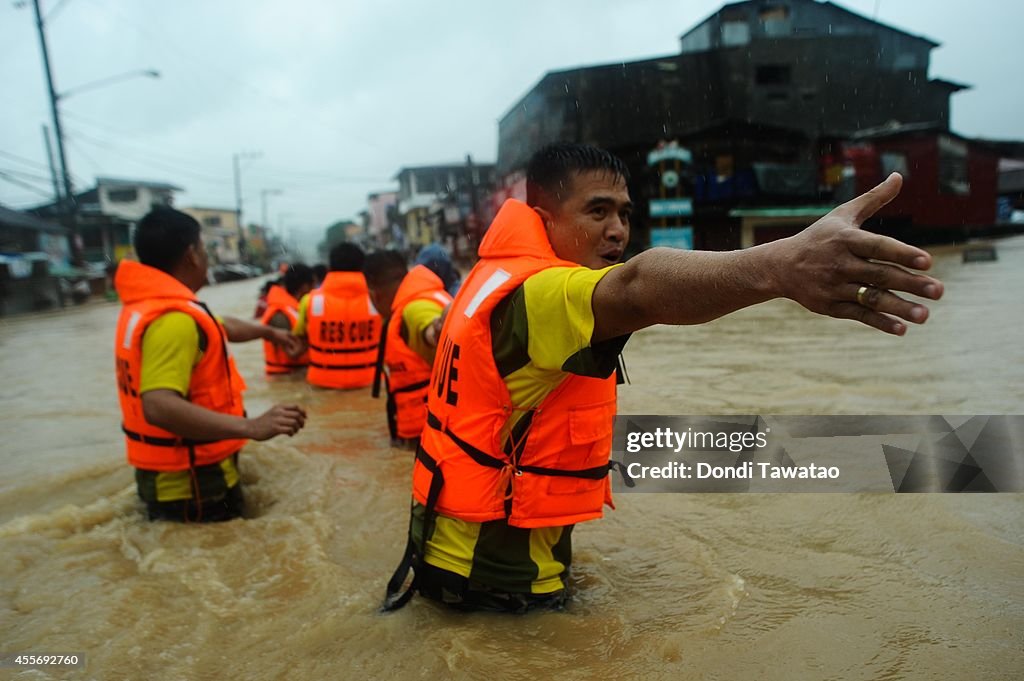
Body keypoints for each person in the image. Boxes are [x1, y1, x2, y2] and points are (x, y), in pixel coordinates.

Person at [383, 142, 944, 613]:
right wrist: (780, 267)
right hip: (494, 580)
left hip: (453, 551)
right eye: (597, 211)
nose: (617, 230)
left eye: (624, 214)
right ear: (545, 217)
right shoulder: (542, 295)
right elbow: (638, 287)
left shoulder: (487, 281)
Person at [114, 207, 308, 523]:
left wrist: (268, 331)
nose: (208, 258)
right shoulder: (173, 321)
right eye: (205, 249)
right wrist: (252, 427)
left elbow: (218, 326)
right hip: (192, 484)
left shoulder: (157, 308)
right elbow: (159, 406)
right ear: (192, 254)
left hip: (179, 476)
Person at [364, 250, 453, 448]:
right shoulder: (432, 296)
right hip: (448, 433)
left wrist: (435, 330)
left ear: (373, 293)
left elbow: (429, 328)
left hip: (434, 441)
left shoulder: (414, 309)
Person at [293, 243, 382, 389]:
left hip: (322, 386)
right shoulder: (379, 300)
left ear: (330, 267)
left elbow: (298, 339)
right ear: (362, 267)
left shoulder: (309, 301)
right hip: (370, 385)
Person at [260, 263, 314, 375]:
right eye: (312, 286)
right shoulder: (280, 315)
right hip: (286, 378)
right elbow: (293, 353)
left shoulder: (296, 309)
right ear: (304, 287)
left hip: (295, 377)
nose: (314, 290)